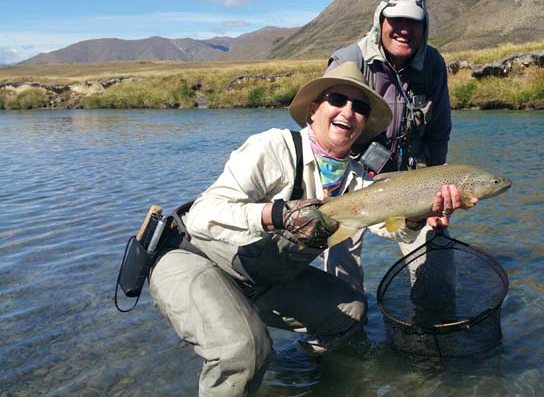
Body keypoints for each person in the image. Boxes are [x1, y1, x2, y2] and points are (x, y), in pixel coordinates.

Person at [148, 62, 472, 397]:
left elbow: (393, 229)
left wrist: (420, 215)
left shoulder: (358, 181)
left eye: (359, 107)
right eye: (338, 100)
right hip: (193, 259)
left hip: (262, 280)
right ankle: (248, 362)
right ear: (314, 109)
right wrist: (277, 214)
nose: (348, 111)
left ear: (362, 126)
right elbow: (203, 215)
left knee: (350, 313)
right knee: (242, 350)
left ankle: (291, 377)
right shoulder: (273, 147)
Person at [323, 0, 455, 299]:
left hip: (412, 182)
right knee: (342, 291)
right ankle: (340, 336)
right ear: (380, 19)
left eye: (413, 22)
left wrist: (436, 195)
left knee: (436, 275)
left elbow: (438, 134)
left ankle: (430, 325)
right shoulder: (348, 62)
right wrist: (326, 183)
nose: (404, 29)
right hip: (349, 181)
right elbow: (320, 134)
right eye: (396, 20)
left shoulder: (433, 64)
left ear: (424, 25)